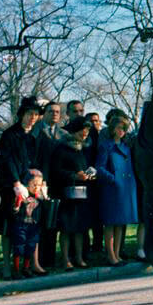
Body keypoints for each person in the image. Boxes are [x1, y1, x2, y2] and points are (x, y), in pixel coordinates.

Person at [0, 96, 43, 279]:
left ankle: (26, 266)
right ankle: (8, 267)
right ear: (22, 114)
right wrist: (15, 182)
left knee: (28, 226)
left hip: (30, 187)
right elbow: (5, 160)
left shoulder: (34, 136)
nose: (33, 117)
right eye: (30, 114)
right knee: (10, 228)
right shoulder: (9, 134)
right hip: (11, 186)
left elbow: (35, 162)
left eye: (36, 115)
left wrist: (39, 180)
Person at [52, 115, 96, 270]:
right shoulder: (62, 148)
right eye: (81, 132)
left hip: (82, 194)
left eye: (86, 132)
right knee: (66, 229)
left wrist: (90, 174)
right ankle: (65, 259)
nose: (84, 135)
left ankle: (79, 257)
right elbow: (56, 171)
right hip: (66, 194)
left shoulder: (83, 149)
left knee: (80, 228)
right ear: (74, 132)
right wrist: (74, 176)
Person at [94, 111, 138, 266]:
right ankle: (111, 256)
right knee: (111, 223)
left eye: (123, 128)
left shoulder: (126, 148)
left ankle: (118, 255)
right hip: (112, 190)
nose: (121, 131)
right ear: (112, 129)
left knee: (121, 223)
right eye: (118, 128)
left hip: (126, 189)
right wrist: (113, 179)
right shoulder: (106, 146)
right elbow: (99, 168)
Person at [10, 168, 48, 278]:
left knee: (30, 246)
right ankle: (16, 269)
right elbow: (14, 210)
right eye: (34, 184)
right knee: (19, 246)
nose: (37, 187)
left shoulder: (39, 198)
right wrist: (17, 205)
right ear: (27, 184)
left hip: (33, 225)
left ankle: (26, 268)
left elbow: (47, 207)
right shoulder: (22, 196)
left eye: (39, 185)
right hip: (21, 225)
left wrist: (45, 195)